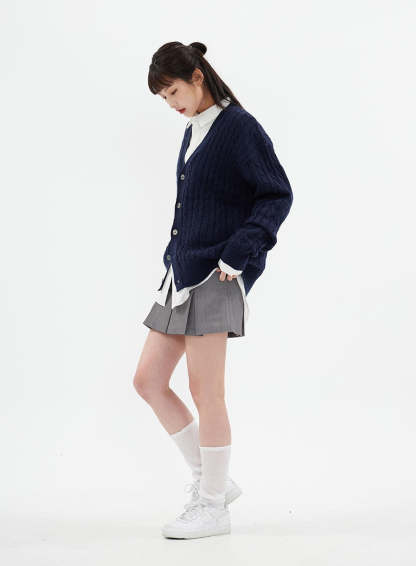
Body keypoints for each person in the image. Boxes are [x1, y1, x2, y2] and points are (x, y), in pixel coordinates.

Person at [133, 41, 293, 539]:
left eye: (173, 91)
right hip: (181, 274)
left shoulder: (238, 126)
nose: (171, 103)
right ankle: (212, 483)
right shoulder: (194, 129)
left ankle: (212, 507)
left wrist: (239, 253)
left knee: (206, 392)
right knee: (148, 380)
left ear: (197, 77)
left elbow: (276, 194)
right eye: (163, 97)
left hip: (216, 276)